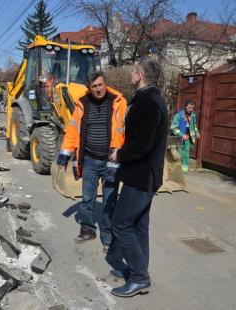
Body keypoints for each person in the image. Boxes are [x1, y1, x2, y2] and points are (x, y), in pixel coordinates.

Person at [107, 58, 168, 297]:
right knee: (139, 226)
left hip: (141, 177)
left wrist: (118, 153)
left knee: (121, 224)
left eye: (134, 71)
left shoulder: (149, 103)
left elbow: (142, 145)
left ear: (140, 76)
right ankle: (137, 272)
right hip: (142, 175)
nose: (131, 74)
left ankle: (140, 277)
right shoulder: (146, 99)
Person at [57, 71, 127, 251]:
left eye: (100, 85)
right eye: (94, 86)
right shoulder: (82, 104)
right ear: (89, 87)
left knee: (110, 200)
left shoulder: (118, 102)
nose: (98, 89)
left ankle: (108, 236)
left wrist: (125, 154)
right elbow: (72, 132)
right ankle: (88, 229)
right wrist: (64, 156)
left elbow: (126, 130)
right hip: (88, 160)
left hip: (110, 161)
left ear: (105, 84)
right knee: (87, 198)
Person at [171, 99, 200, 173]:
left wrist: (197, 133)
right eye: (189, 108)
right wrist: (182, 135)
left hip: (188, 139)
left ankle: (184, 172)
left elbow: (194, 126)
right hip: (180, 140)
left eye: (192, 108)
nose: (191, 110)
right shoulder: (179, 115)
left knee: (186, 156)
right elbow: (173, 127)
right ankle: (175, 171)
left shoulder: (193, 115)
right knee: (178, 155)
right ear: (185, 107)